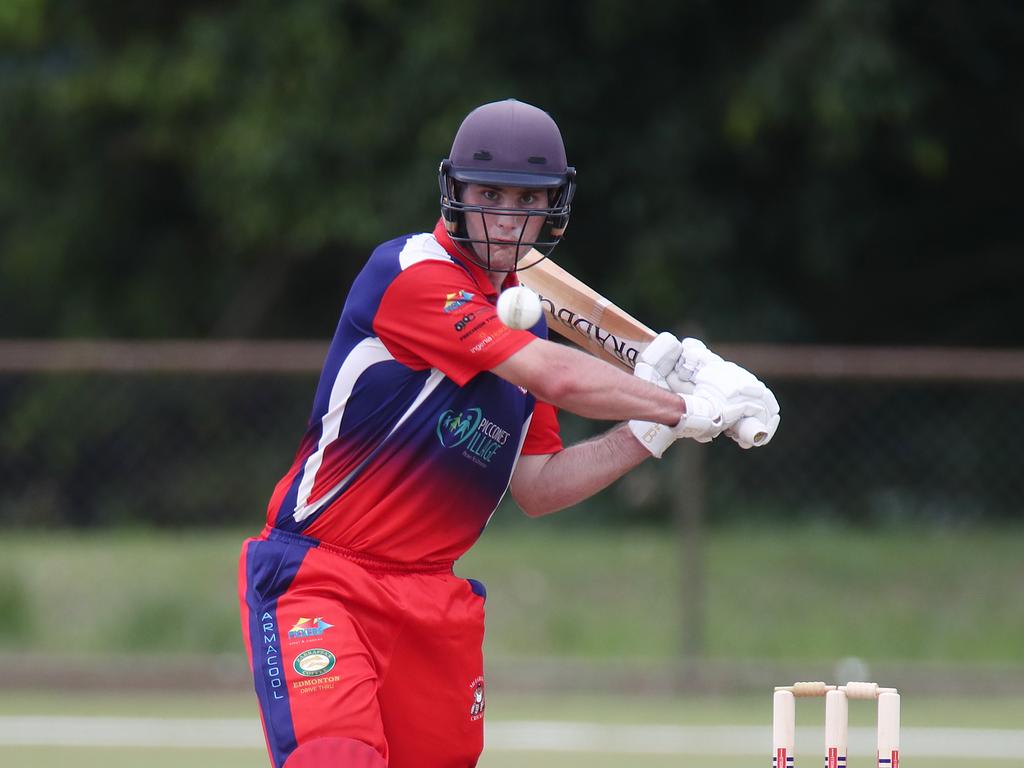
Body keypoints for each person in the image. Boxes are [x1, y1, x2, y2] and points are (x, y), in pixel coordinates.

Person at [237, 98, 779, 768]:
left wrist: (647, 433)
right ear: (454, 191)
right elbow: (552, 376)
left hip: (432, 598)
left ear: (553, 208)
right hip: (324, 576)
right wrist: (675, 402)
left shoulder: (531, 326)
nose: (505, 214)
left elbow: (539, 486)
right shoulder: (410, 273)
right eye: (488, 193)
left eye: (527, 199)